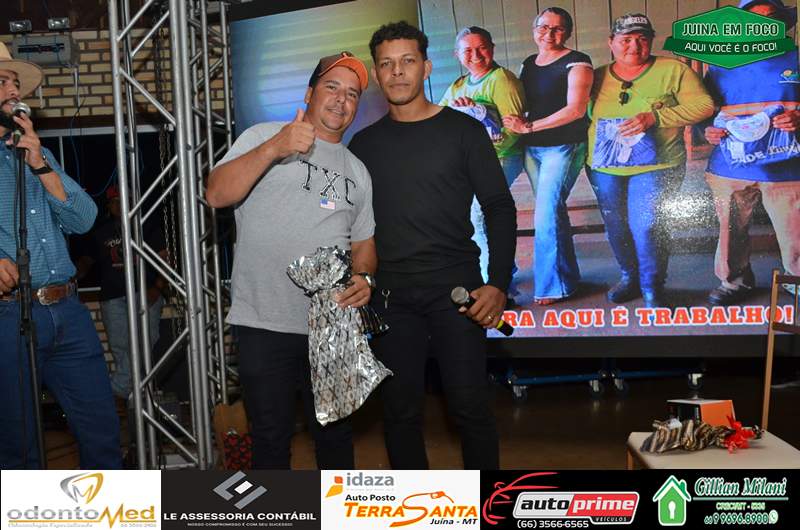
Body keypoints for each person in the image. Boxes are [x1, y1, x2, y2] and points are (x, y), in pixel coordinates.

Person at [349, 21, 516, 469]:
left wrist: (498, 283)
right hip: (391, 298)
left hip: (457, 293)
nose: (397, 72)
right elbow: (351, 225)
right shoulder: (363, 146)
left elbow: (499, 207)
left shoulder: (463, 132)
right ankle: (415, 504)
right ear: (377, 74)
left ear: (426, 68)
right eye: (387, 64)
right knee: (400, 414)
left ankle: (486, 504)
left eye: (407, 61)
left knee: (471, 409)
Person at [206, 52, 376, 469]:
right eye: (332, 87)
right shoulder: (264, 136)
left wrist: (365, 279)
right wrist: (275, 148)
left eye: (352, 93)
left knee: (336, 438)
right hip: (264, 321)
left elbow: (364, 245)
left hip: (333, 325)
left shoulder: (357, 170)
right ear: (309, 93)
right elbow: (216, 194)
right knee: (270, 437)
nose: (341, 99)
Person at [0, 42, 122, 469]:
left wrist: (39, 163)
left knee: (102, 431)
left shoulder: (38, 152)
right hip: (8, 316)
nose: (14, 91)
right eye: (2, 81)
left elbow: (85, 219)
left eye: (15, 82)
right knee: (19, 447)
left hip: (67, 311)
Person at [585, 14, 714, 308]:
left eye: (642, 39)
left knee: (647, 225)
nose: (634, 46)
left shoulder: (674, 70)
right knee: (615, 224)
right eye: (626, 39)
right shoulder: (596, 75)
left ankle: (652, 285)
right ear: (611, 42)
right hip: (605, 165)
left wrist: (655, 117)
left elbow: (705, 106)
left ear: (652, 41)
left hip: (659, 164)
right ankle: (629, 277)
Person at [702, 0, 800, 306]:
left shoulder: (796, 58)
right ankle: (734, 281)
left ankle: (797, 282)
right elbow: (704, 110)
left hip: (787, 166)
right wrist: (707, 130)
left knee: (795, 231)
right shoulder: (719, 65)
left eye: (771, 19)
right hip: (731, 165)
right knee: (731, 229)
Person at [503, 7, 593, 305]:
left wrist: (529, 126)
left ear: (567, 32)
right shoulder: (529, 63)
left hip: (563, 146)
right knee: (553, 213)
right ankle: (568, 279)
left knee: (545, 216)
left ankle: (552, 287)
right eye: (543, 27)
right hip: (533, 148)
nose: (549, 33)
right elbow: (521, 103)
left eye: (557, 28)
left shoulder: (577, 62)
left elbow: (575, 110)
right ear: (534, 30)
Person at [439, 26, 525, 291]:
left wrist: (481, 114)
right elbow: (440, 120)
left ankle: (496, 285)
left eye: (482, 48)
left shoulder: (502, 80)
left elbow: (513, 133)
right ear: (457, 55)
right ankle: (502, 272)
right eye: (468, 50)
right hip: (471, 163)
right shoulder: (459, 85)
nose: (475, 55)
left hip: (501, 157)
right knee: (471, 217)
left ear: (492, 49)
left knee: (478, 215)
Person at [76, 185, 167, 399]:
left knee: (146, 340)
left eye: (124, 199)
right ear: (109, 206)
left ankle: (117, 387)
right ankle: (135, 397)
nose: (119, 204)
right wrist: (75, 272)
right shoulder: (100, 231)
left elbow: (165, 258)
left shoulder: (147, 225)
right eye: (115, 201)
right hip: (112, 296)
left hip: (145, 292)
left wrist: (158, 287)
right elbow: (87, 259)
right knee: (120, 348)